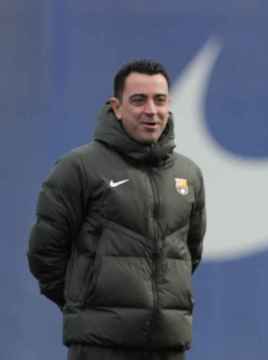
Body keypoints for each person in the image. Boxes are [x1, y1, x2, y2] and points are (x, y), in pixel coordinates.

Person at [27, 59, 206, 360]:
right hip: (100, 347)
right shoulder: (79, 168)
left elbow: (190, 254)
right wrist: (87, 303)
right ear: (117, 107)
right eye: (139, 100)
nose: (151, 110)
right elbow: (44, 255)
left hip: (168, 347)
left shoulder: (188, 175)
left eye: (159, 100)